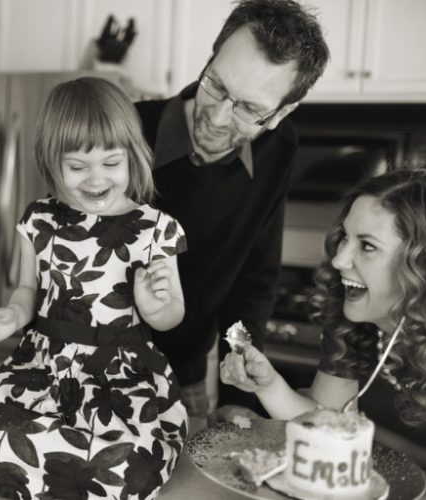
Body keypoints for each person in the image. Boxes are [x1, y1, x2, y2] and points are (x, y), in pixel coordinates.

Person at [0, 77, 189, 500]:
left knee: (125, 454)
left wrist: (152, 306)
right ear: (53, 163)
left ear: (132, 157)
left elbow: (172, 313)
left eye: (111, 163)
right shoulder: (39, 220)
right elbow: (26, 289)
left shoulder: (155, 229)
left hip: (120, 374)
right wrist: (12, 317)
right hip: (45, 363)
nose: (95, 179)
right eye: (77, 166)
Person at [134, 0, 329, 421]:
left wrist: (236, 397)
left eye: (250, 109)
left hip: (180, 373)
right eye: (217, 86)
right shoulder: (127, 129)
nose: (220, 118)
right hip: (87, 359)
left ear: (282, 114)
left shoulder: (278, 148)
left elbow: (253, 278)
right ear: (211, 57)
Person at [220, 168, 426, 474]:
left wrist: (363, 434)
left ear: (425, 265)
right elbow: (322, 417)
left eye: (367, 246)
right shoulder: (356, 323)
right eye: (345, 238)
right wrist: (269, 386)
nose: (339, 260)